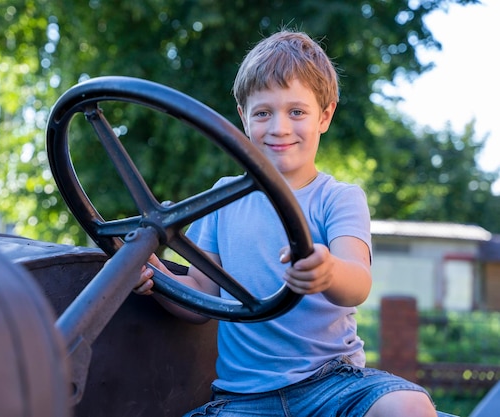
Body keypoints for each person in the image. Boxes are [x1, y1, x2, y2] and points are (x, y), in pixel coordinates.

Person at [134, 29, 437, 417]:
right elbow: (200, 297)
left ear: (324, 115)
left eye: (297, 112)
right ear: (243, 118)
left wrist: (327, 272)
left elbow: (358, 282)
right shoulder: (221, 200)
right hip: (243, 398)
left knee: (409, 406)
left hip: (332, 384)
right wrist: (156, 277)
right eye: (263, 113)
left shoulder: (338, 198)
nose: (279, 127)